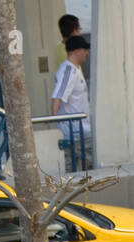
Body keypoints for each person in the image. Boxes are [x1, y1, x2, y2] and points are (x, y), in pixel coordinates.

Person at [51, 35, 92, 166]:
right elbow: (57, 97)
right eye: (84, 49)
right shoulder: (68, 71)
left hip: (82, 132)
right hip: (75, 134)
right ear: (75, 51)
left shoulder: (75, 70)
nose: (87, 53)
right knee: (76, 172)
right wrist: (58, 126)